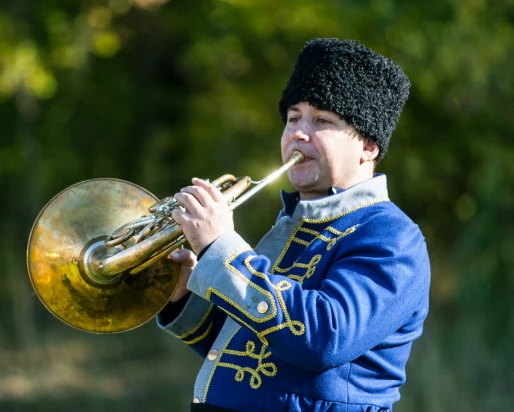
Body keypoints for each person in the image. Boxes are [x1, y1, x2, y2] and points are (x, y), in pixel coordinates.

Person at [157, 38, 430, 412]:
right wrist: (185, 294)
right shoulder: (291, 224)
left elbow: (324, 339)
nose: (298, 133)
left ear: (368, 145)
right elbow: (253, 351)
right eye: (293, 118)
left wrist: (221, 249)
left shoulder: (391, 236)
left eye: (322, 120)